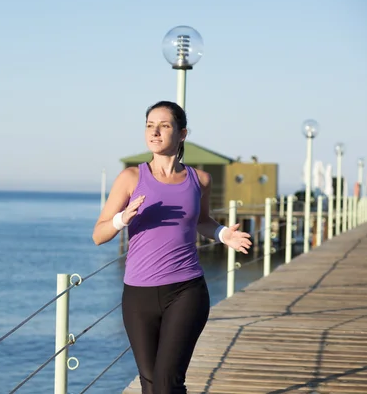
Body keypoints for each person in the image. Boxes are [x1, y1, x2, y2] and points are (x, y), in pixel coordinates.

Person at [92, 100, 251, 394]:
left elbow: (202, 221)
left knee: (167, 381)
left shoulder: (199, 180)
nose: (155, 132)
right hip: (138, 295)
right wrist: (121, 219)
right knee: (151, 383)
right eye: (150, 125)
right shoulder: (130, 178)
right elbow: (99, 235)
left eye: (164, 125)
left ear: (181, 134)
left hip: (186, 290)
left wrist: (221, 234)